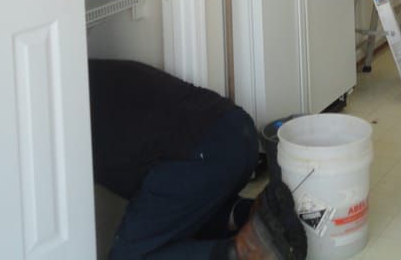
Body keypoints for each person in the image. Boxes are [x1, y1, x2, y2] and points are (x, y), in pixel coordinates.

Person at [88, 58, 306, 260]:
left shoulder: (63, 108)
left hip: (200, 156)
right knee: (183, 219)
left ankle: (245, 252)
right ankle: (253, 217)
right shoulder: (78, 73)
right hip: (237, 134)